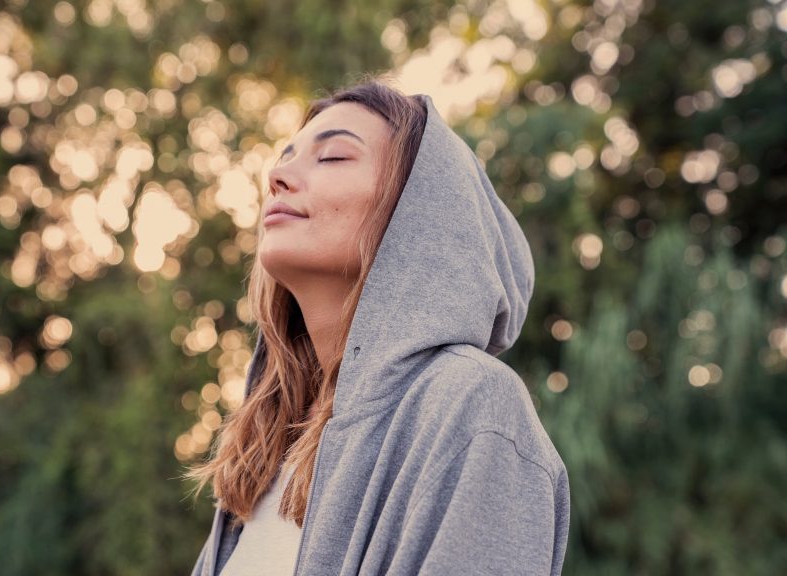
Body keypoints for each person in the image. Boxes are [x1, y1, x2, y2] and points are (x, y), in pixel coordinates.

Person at [183, 79, 570, 576]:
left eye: (333, 157)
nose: (277, 176)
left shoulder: (471, 405)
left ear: (418, 212)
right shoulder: (268, 447)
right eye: (285, 158)